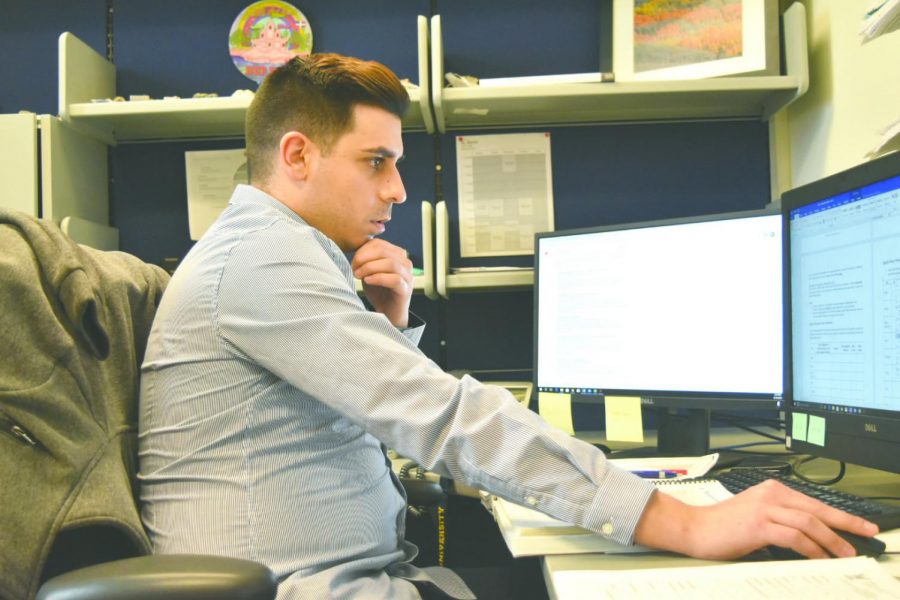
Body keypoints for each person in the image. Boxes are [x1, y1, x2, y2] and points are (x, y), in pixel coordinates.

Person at [138, 53, 879, 600]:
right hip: (308, 588)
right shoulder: (262, 257)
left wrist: (387, 325)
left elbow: (340, 418)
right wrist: (684, 523)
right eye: (376, 163)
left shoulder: (282, 250)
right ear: (296, 154)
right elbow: (439, 414)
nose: (396, 190)